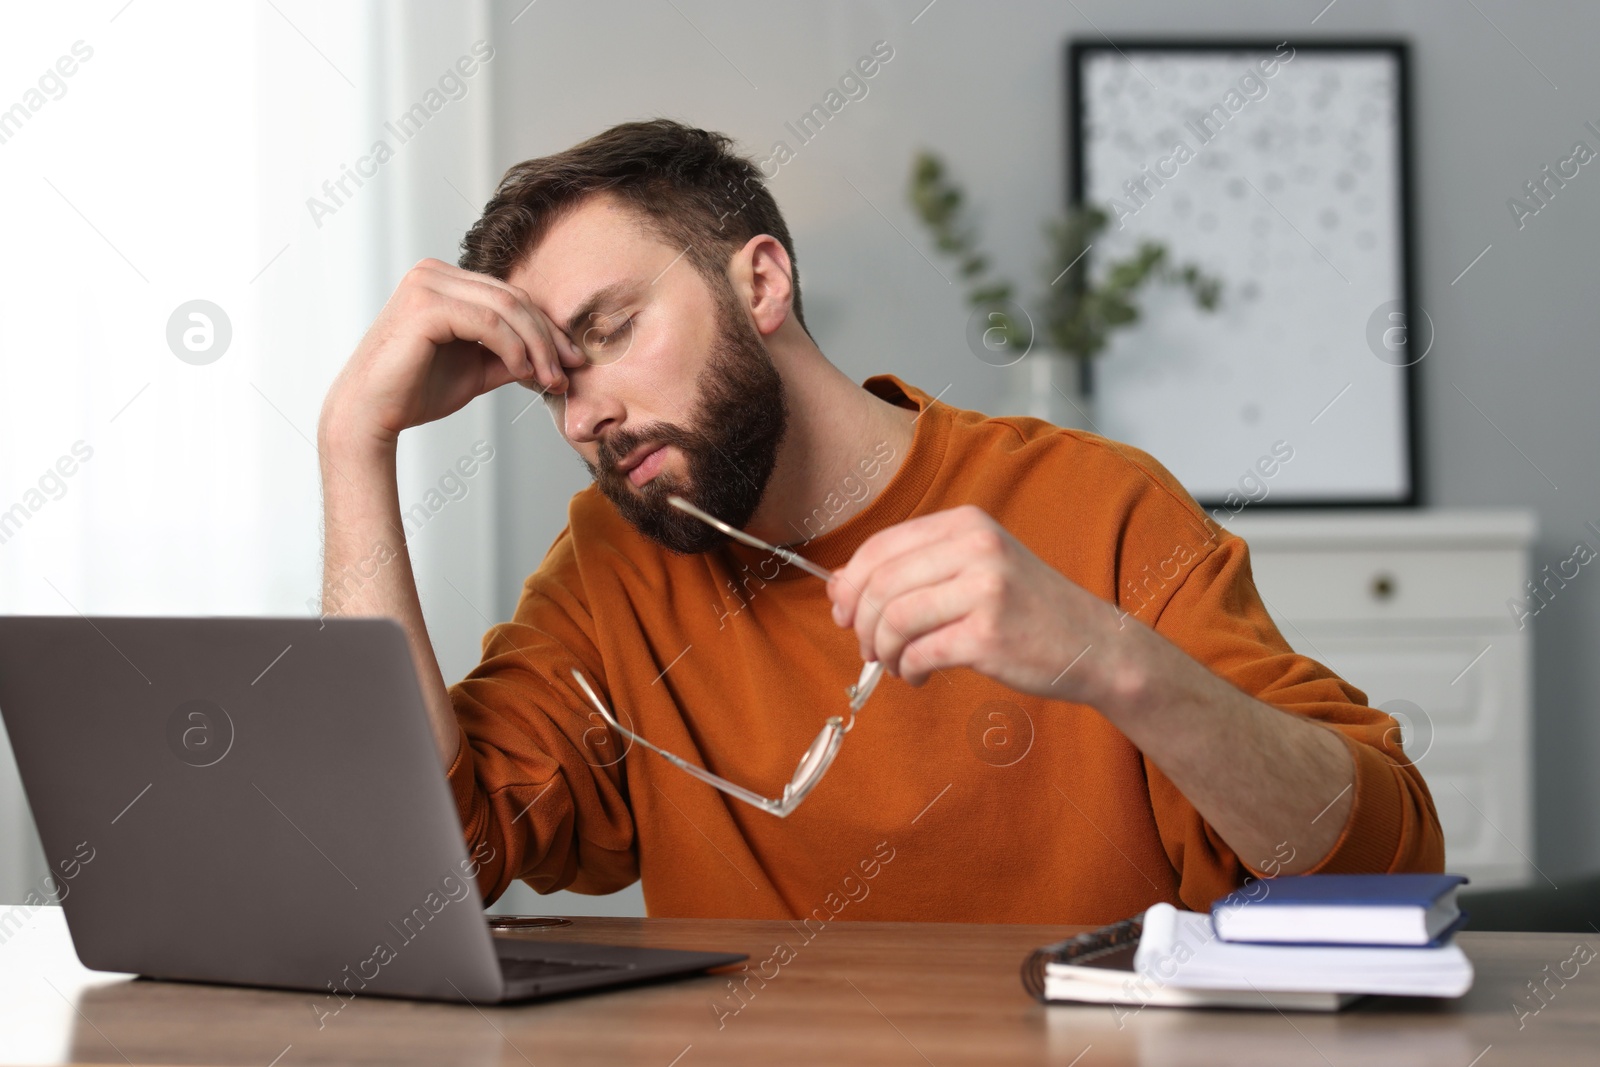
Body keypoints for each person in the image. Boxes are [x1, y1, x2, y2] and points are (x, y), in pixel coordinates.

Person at [316, 119, 1443, 925]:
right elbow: (416, 875)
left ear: (761, 283)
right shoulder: (611, 569)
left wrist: (1113, 660)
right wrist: (353, 446)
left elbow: (1380, 865)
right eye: (553, 382)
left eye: (608, 331)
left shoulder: (1097, 504)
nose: (585, 412)